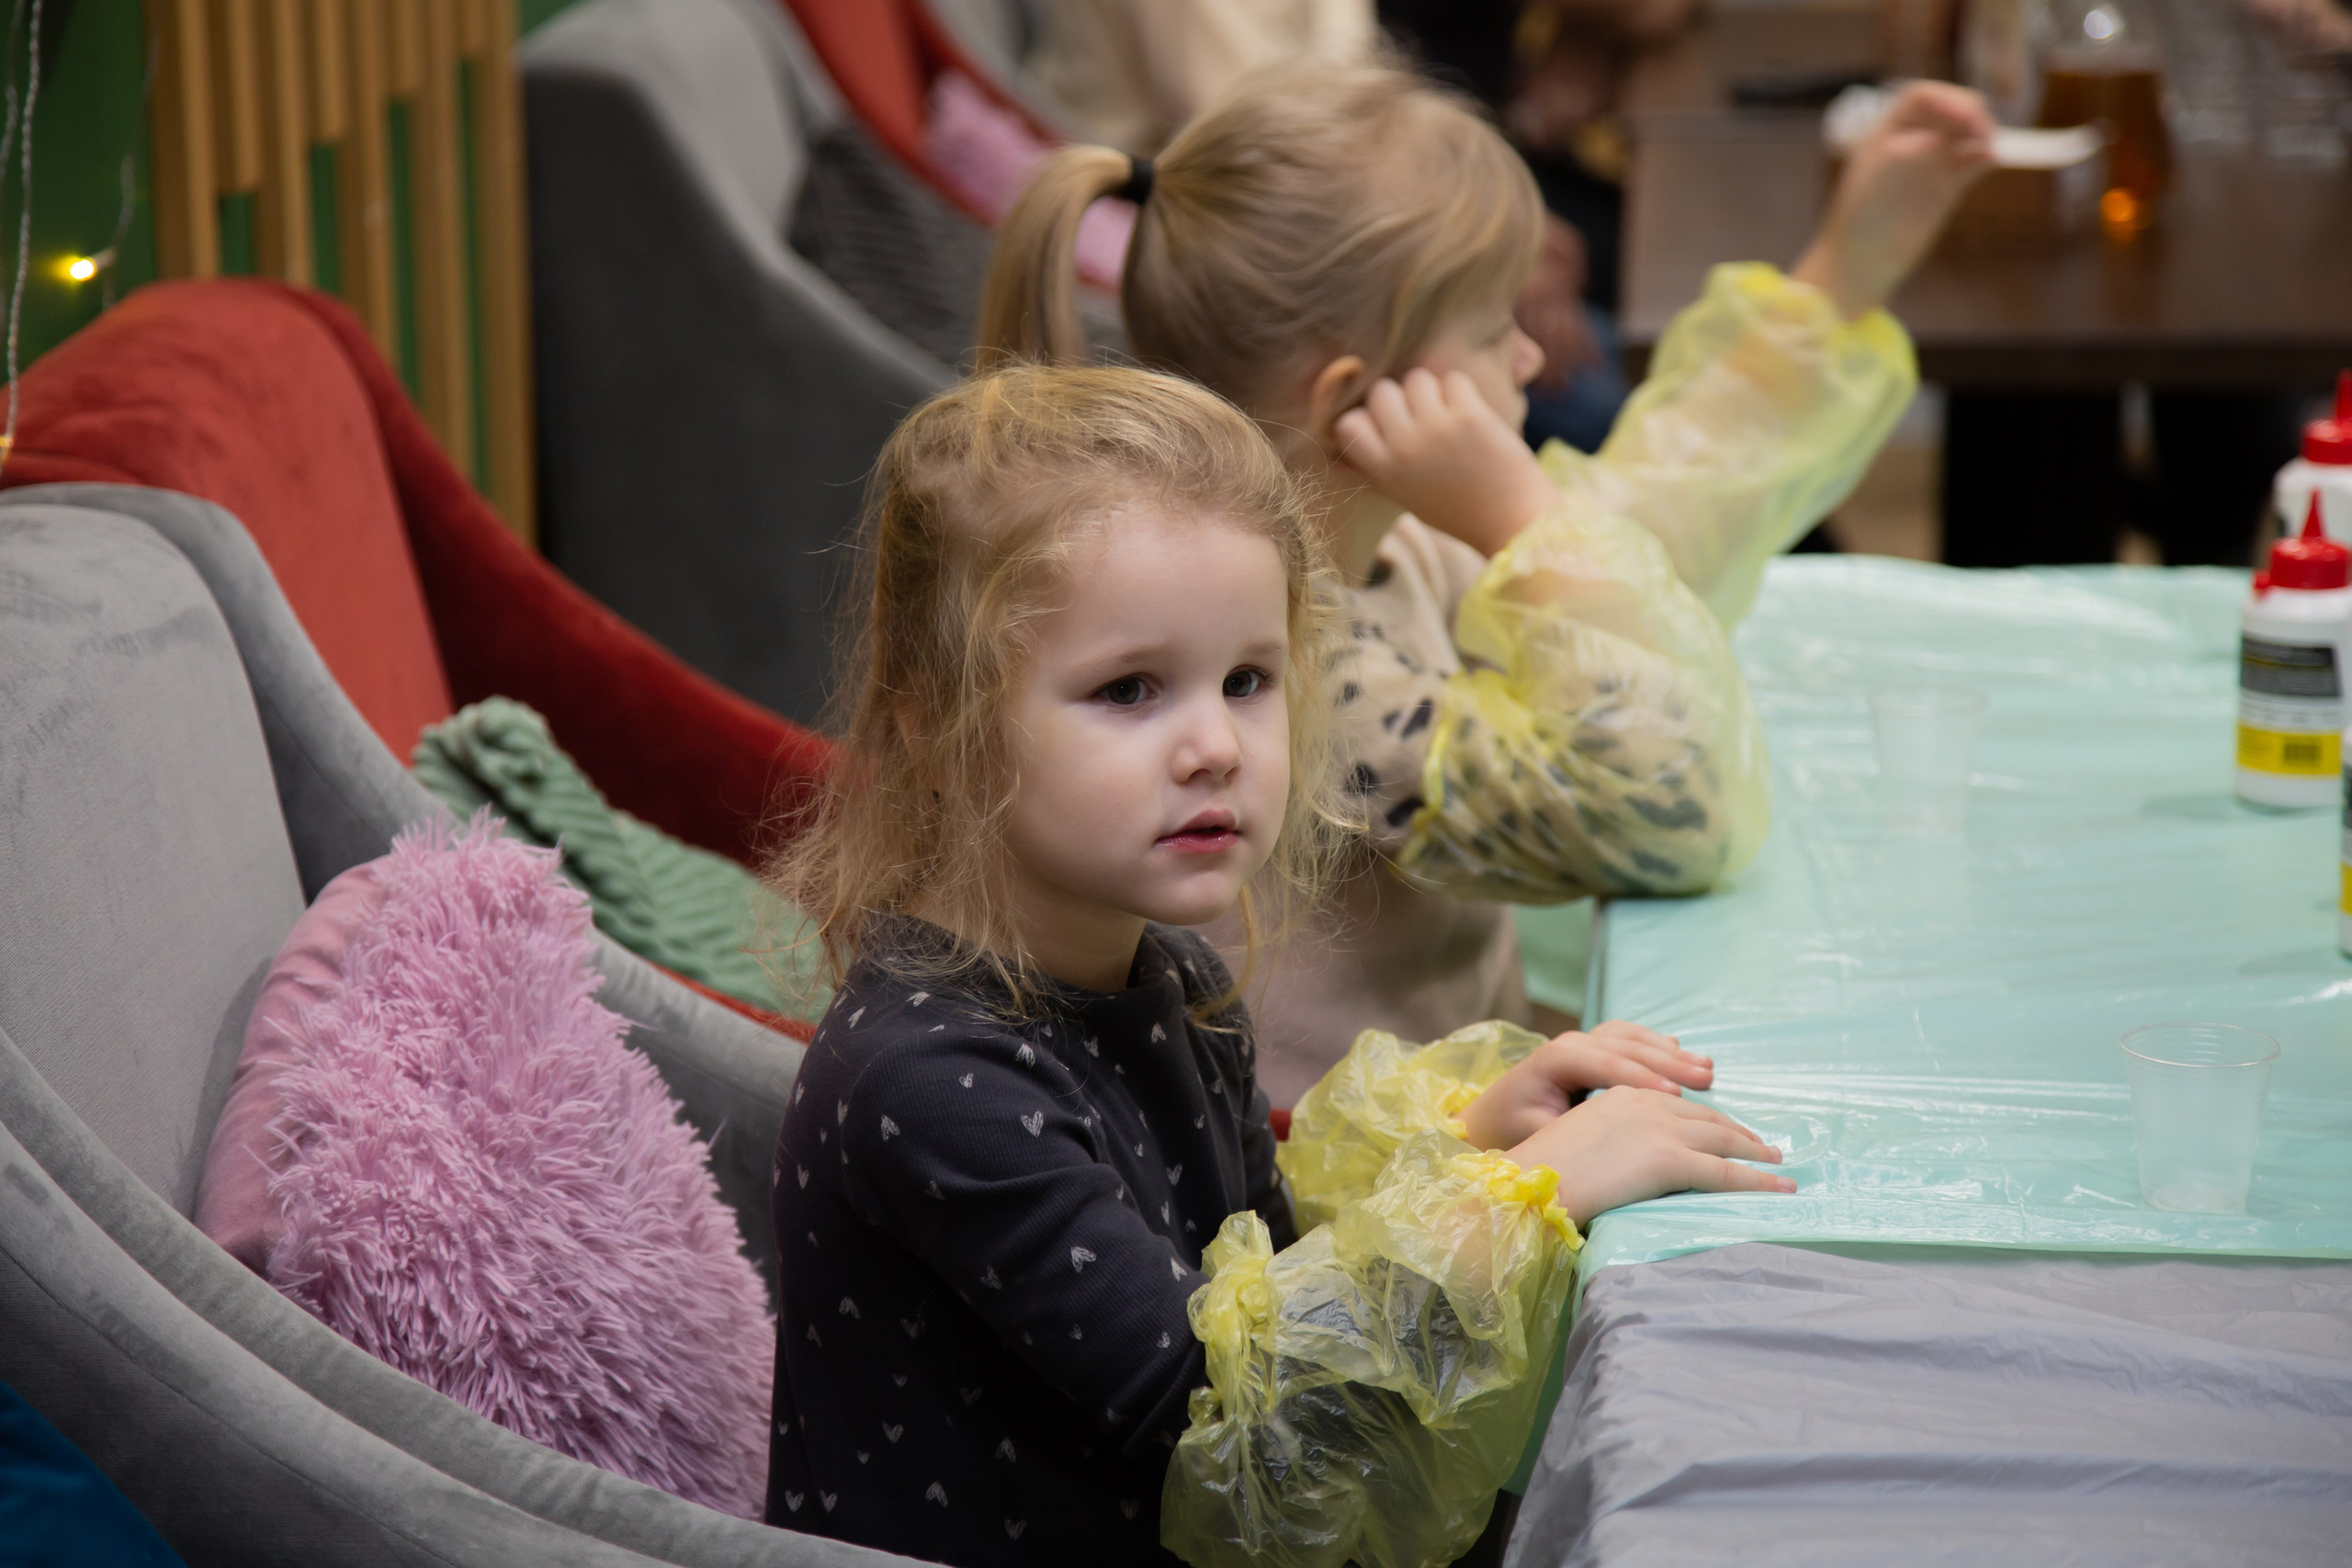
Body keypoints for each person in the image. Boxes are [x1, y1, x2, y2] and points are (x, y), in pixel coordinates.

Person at [761, 363, 1790, 1568]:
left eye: (1247, 679)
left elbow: (1265, 1283)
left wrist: (1475, 1147)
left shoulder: (1170, 981)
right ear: (934, 725)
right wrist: (1520, 1198)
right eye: (1128, 689)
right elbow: (1233, 1425)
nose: (1215, 745)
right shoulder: (933, 1084)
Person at [978, 67, 1994, 1105]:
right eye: (1490, 327)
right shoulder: (1289, 675)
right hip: (1362, 1179)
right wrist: (1526, 523)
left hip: (1465, 1118)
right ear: (1356, 400)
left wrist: (1843, 271)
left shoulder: (1401, 548)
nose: (1527, 355)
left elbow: (1645, 533)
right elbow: (1669, 812)